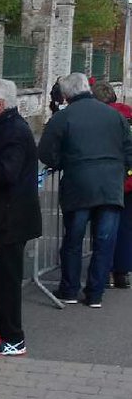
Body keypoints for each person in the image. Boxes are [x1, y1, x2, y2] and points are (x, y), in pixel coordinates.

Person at [38, 72, 132, 307]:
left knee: (74, 240)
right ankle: (95, 293)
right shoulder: (115, 116)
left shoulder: (63, 117)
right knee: (104, 241)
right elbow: (129, 150)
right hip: (111, 186)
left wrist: (62, 162)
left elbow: (47, 153)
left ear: (67, 94)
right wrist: (119, 170)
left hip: (78, 184)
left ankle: (69, 289)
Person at [0, 78, 42, 356]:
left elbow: (6, 173)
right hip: (1, 218)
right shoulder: (4, 129)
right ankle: (3, 324)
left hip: (9, 221)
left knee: (5, 280)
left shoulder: (13, 132)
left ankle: (14, 337)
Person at [92, 82, 132, 289]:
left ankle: (104, 271)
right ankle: (122, 273)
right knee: (126, 227)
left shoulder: (101, 119)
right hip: (129, 181)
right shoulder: (129, 114)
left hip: (108, 181)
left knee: (103, 228)